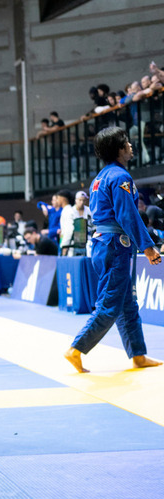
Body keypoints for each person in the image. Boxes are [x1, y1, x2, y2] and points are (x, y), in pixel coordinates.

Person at [65, 127, 162, 373]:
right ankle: (76, 348)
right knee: (109, 304)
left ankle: (138, 354)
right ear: (119, 149)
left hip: (105, 243)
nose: (131, 146)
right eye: (127, 142)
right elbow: (127, 215)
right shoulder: (120, 177)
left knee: (127, 302)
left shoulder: (100, 177)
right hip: (115, 245)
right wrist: (148, 247)